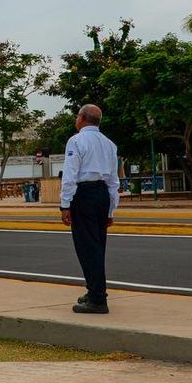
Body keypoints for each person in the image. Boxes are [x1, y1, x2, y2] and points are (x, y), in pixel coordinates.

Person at [59, 104, 120, 314]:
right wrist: (111, 209)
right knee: (98, 246)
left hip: (84, 195)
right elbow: (114, 181)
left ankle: (97, 298)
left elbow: (70, 175)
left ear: (83, 118)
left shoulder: (76, 141)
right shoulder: (109, 144)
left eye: (77, 116)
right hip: (102, 195)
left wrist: (65, 204)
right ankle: (94, 290)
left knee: (86, 247)